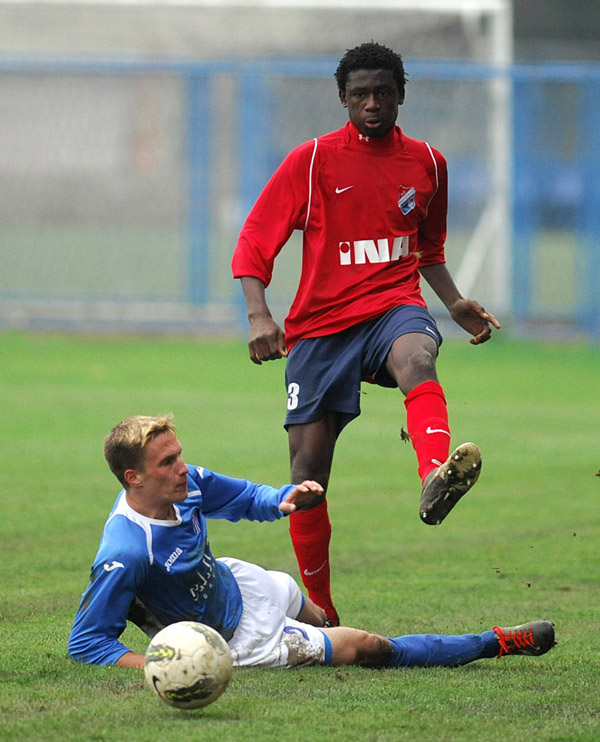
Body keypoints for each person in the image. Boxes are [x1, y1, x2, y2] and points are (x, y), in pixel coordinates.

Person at [231, 41, 501, 625]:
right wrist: (259, 316)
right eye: (360, 95)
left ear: (401, 95)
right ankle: (323, 613)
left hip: (392, 307)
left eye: (383, 93)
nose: (372, 104)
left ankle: (434, 473)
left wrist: (453, 302)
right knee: (307, 476)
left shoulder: (429, 164)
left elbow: (426, 249)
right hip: (321, 327)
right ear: (343, 99)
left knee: (418, 355)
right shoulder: (312, 161)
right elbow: (255, 238)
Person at [68, 415, 555, 670]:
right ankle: (496, 642)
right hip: (234, 638)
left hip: (236, 581)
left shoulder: (187, 483)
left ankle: (324, 638)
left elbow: (243, 497)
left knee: (320, 618)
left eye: (178, 455)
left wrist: (283, 499)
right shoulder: (126, 554)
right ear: (133, 478)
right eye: (167, 463)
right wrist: (165, 662)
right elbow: (88, 642)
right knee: (365, 646)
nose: (182, 468)